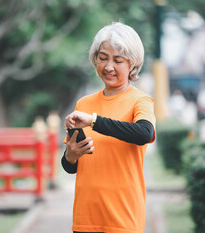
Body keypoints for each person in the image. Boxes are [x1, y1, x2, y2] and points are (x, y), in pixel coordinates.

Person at [62, 22, 156, 233]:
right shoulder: (83, 104)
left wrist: (94, 121)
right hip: (85, 217)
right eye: (103, 58)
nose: (108, 67)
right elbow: (72, 166)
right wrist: (70, 155)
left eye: (118, 60)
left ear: (133, 64)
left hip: (124, 217)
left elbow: (144, 133)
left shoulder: (140, 101)